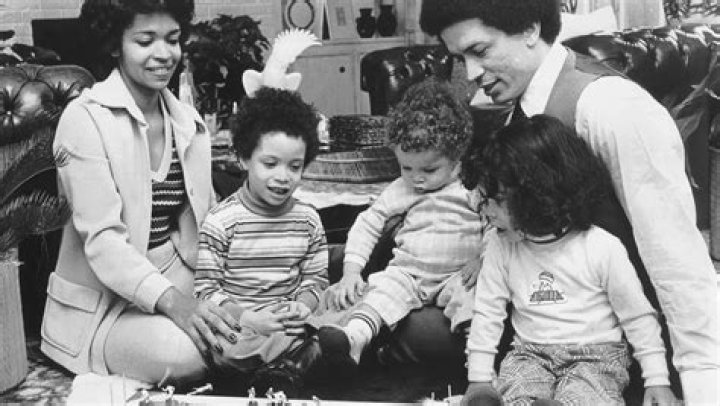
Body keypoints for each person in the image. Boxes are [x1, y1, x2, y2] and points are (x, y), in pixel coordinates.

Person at [420, 0, 719, 403]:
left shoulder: (612, 107)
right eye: (460, 59)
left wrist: (700, 386)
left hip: (615, 350)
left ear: (530, 29)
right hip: (533, 340)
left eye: (480, 51)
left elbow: (678, 263)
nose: (471, 74)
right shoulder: (519, 110)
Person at [40, 0, 239, 386]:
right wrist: (177, 305)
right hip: (106, 307)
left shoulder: (187, 120)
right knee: (186, 353)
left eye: (173, 39)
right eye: (145, 41)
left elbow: (209, 220)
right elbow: (104, 242)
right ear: (115, 44)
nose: (164, 54)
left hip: (179, 274)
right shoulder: (84, 119)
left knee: (253, 317)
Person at [460, 114, 677, 406]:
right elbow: (487, 312)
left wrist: (657, 380)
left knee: (586, 395)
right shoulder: (501, 246)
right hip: (529, 354)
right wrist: (479, 380)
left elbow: (637, 316)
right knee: (517, 390)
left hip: (596, 356)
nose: (486, 211)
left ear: (536, 196)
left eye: (495, 200)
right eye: (483, 200)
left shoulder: (601, 247)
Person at [318, 79, 488, 368]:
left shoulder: (471, 187)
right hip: (408, 274)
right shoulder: (402, 188)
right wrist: (351, 272)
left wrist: (484, 258)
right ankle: (354, 338)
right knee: (382, 289)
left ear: (457, 157)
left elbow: (497, 226)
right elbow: (368, 223)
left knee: (476, 296)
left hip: (458, 275)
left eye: (429, 169)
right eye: (406, 167)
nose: (416, 178)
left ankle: (479, 360)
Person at [194, 86, 328, 374]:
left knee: (350, 306)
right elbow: (206, 291)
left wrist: (302, 307)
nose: (283, 177)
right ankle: (298, 359)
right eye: (270, 164)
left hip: (291, 322)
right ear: (243, 158)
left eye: (294, 166)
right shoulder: (221, 221)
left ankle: (293, 358)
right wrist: (249, 319)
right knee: (223, 345)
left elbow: (316, 280)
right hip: (244, 325)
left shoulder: (308, 220)